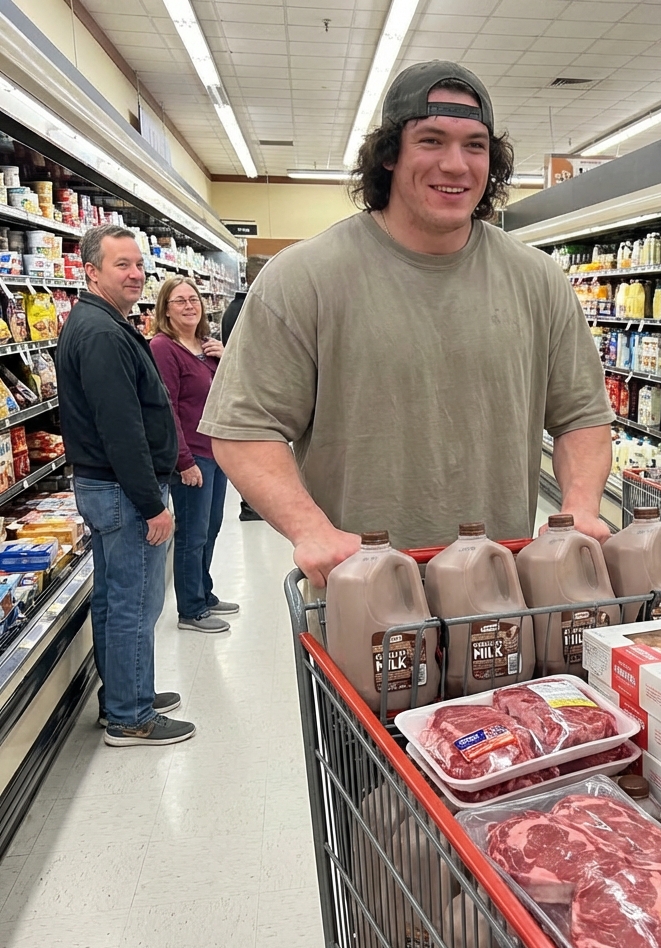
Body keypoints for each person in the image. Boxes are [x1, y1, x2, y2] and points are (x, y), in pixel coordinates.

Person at [200, 61, 612, 586]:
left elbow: (582, 415)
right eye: (432, 141)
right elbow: (244, 428)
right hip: (364, 595)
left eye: (475, 145)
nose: (456, 165)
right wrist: (312, 530)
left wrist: (577, 506)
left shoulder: (538, 280)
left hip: (503, 593)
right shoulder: (304, 277)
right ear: (390, 154)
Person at [55, 224, 196, 747]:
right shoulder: (100, 334)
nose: (136, 273)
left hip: (109, 488)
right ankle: (130, 715)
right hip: (122, 491)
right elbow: (121, 429)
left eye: (138, 264)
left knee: (116, 599)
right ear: (91, 271)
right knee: (135, 603)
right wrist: (150, 503)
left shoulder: (101, 323)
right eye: (122, 265)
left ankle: (123, 691)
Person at [151, 276, 238, 633]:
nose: (189, 306)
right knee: (192, 533)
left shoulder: (207, 346)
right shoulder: (163, 347)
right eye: (179, 301)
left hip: (215, 451)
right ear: (165, 311)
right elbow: (166, 407)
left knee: (212, 527)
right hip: (191, 456)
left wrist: (226, 360)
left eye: (193, 299)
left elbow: (226, 395)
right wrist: (183, 460)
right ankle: (191, 608)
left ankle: (204, 591)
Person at [219, 256, 267, 523]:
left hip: (246, 385)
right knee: (255, 448)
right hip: (251, 389)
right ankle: (252, 505)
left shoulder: (235, 307)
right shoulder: (248, 308)